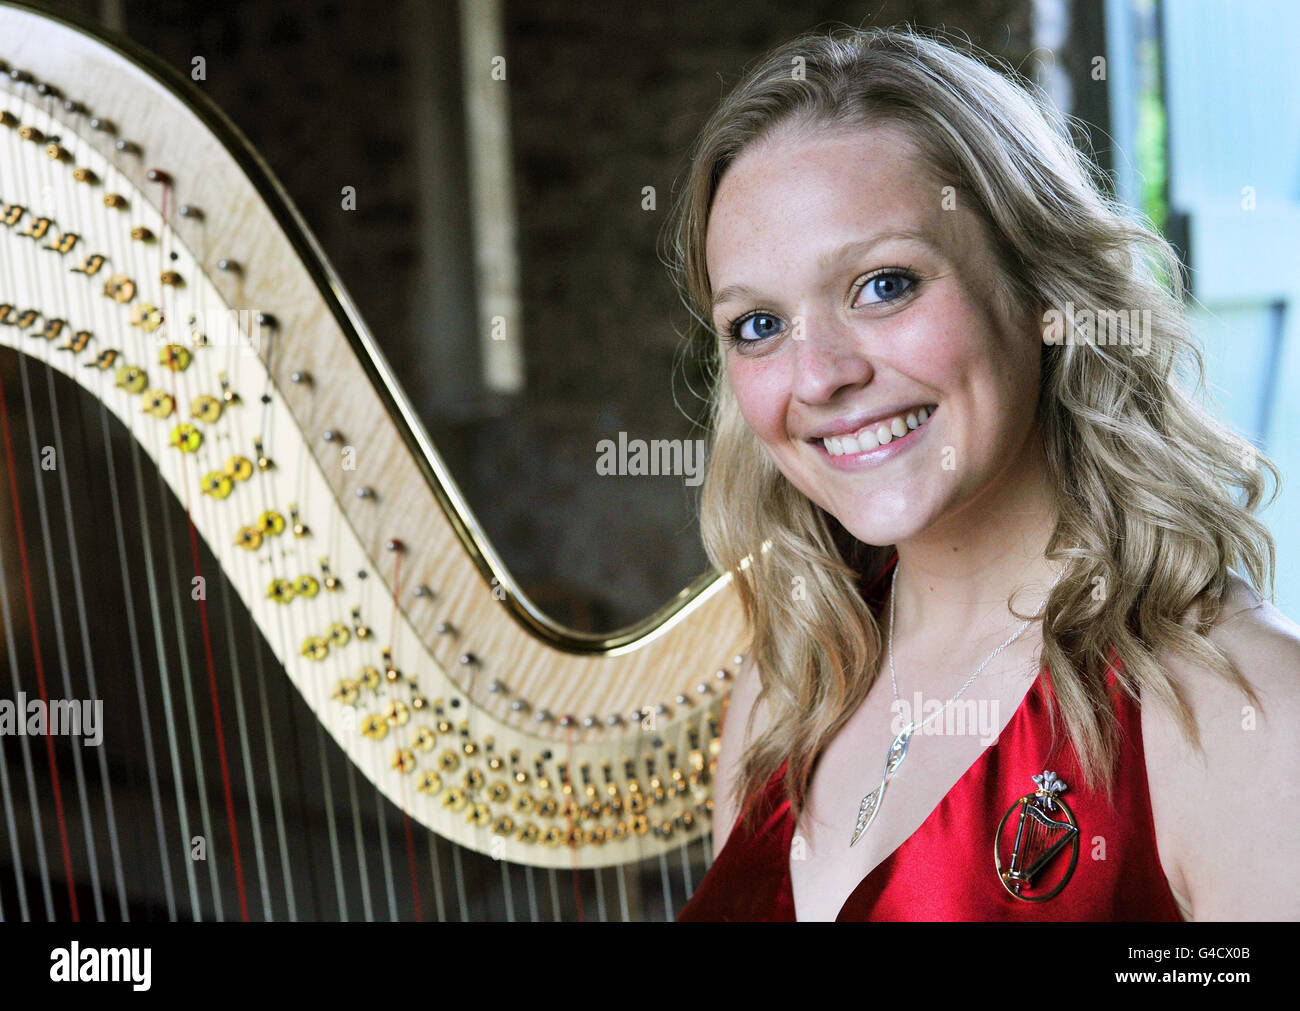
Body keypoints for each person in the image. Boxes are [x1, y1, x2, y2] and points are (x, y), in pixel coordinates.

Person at [669, 26, 1300, 921]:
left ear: (1042, 292)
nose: (819, 376)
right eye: (759, 325)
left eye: (883, 284)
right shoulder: (787, 691)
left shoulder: (1250, 713)